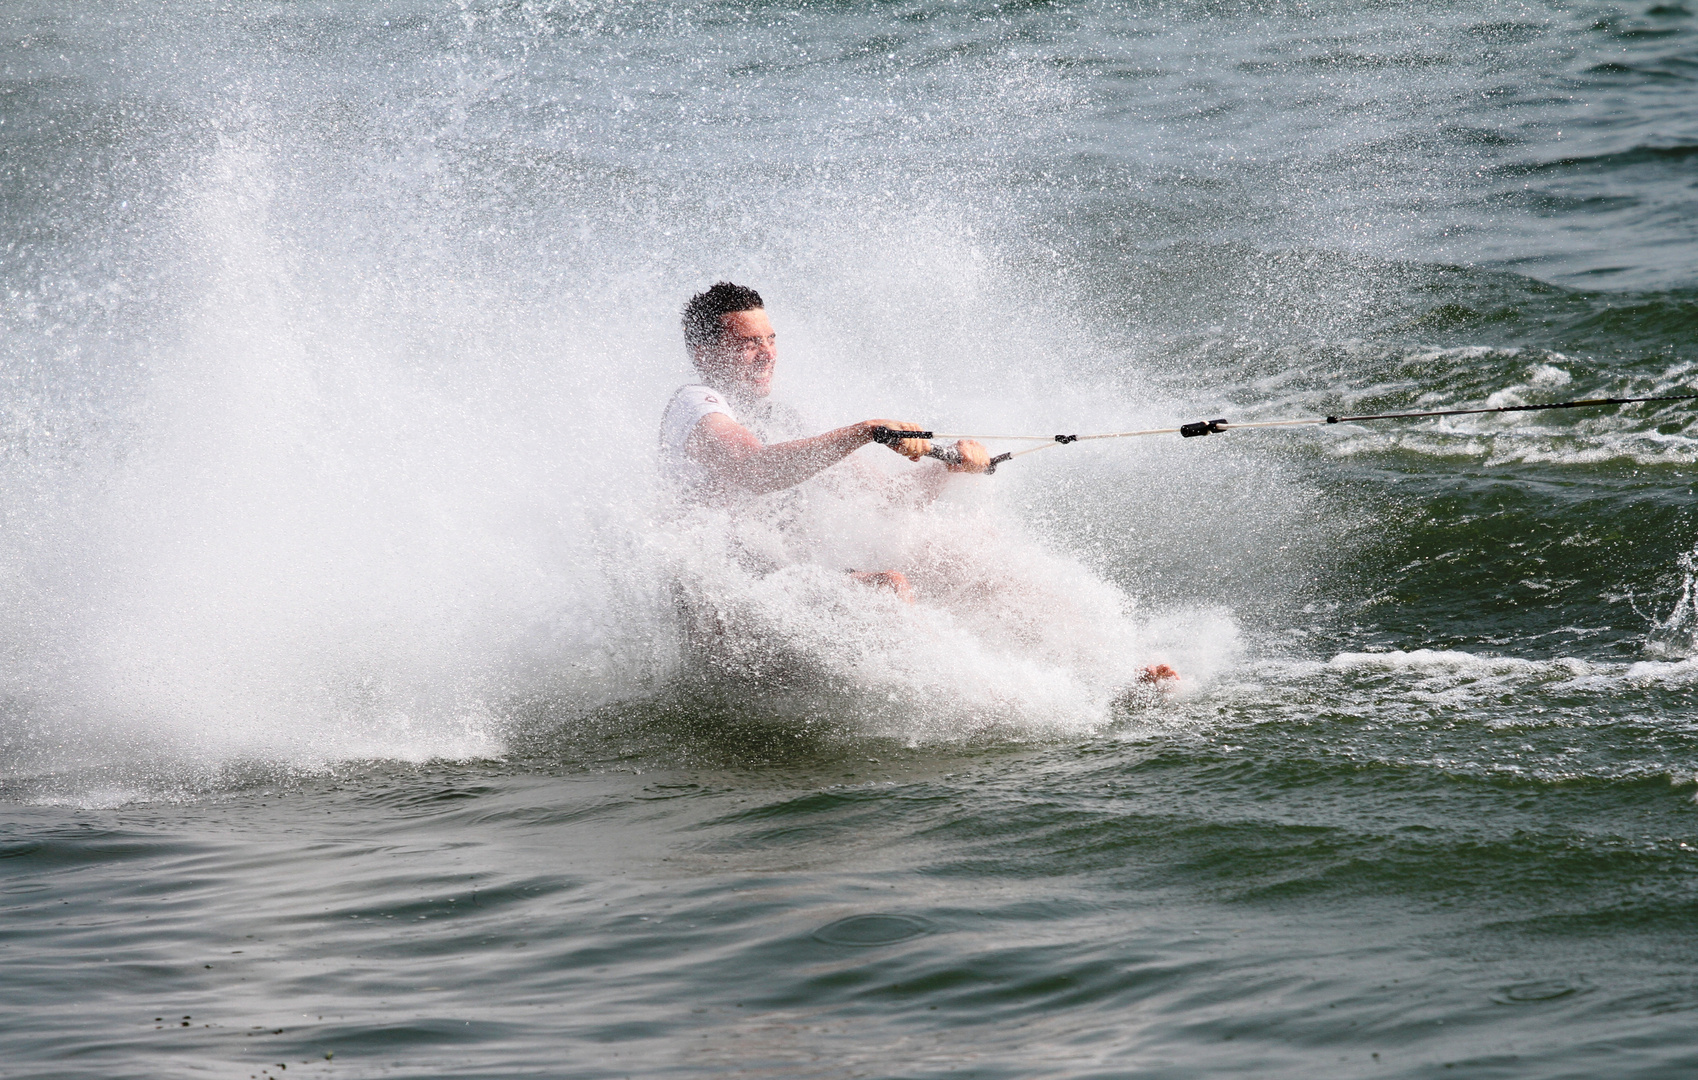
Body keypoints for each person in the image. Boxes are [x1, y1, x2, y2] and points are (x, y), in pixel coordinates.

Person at [659, 282, 990, 601]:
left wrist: (952, 468)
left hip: (774, 584)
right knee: (888, 588)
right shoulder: (694, 404)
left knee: (962, 561)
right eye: (749, 344)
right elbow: (754, 469)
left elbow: (889, 501)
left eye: (770, 340)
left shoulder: (781, 421)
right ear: (704, 356)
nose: (766, 355)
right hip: (720, 591)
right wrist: (866, 431)